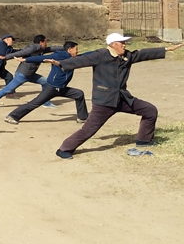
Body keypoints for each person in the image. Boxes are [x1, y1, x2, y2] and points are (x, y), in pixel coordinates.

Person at [54, 34, 182, 159]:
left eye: (124, 42)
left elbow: (143, 54)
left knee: (150, 110)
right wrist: (60, 63)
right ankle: (64, 149)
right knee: (89, 129)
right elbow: (81, 60)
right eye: (121, 43)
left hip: (122, 99)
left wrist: (166, 49)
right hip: (104, 101)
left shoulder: (127, 56)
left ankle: (144, 140)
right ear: (112, 44)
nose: (124, 45)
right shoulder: (101, 55)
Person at [4, 41, 89, 125]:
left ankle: (82, 118)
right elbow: (42, 58)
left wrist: (99, 53)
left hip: (61, 88)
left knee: (79, 94)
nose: (77, 51)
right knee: (35, 103)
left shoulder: (73, 58)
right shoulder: (60, 55)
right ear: (70, 49)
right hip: (52, 87)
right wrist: (26, 59)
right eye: (76, 49)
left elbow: (84, 56)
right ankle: (12, 116)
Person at [0, 35, 61, 108]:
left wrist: (67, 48)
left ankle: (46, 103)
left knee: (45, 82)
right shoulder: (33, 47)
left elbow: (53, 48)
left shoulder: (40, 50)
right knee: (8, 89)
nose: (46, 44)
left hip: (31, 74)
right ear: (41, 42)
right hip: (23, 74)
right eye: (45, 42)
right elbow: (21, 53)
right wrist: (6, 57)